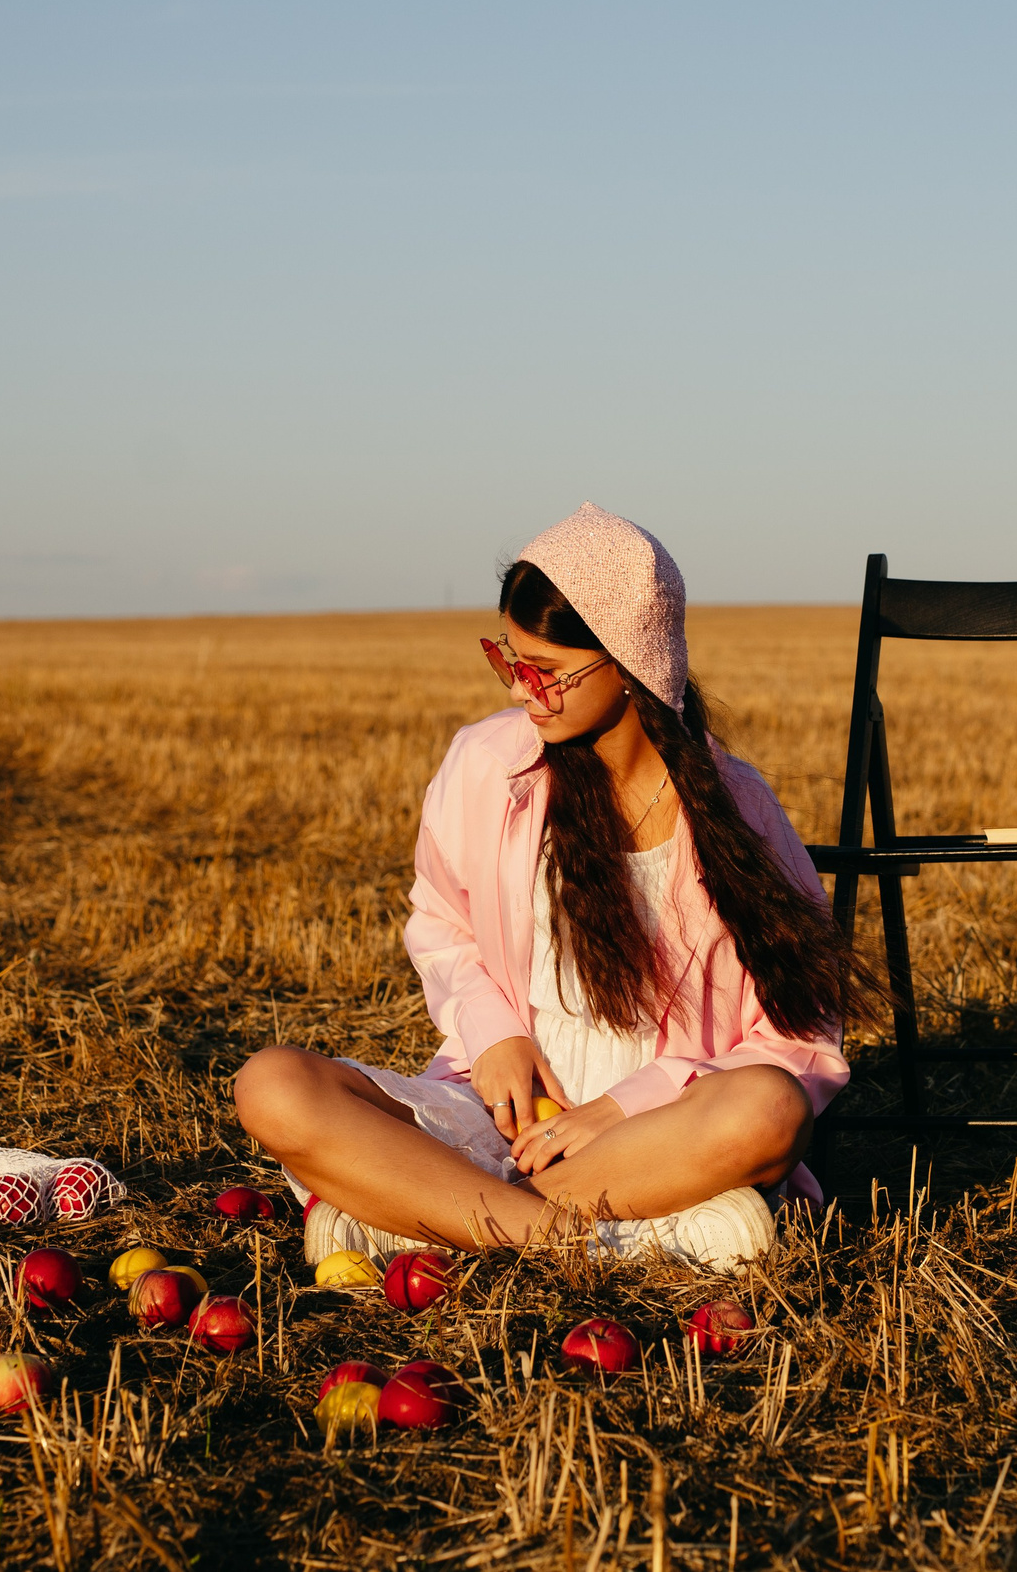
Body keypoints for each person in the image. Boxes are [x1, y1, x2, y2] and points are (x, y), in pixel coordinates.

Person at [232, 502, 870, 1271]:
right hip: (491, 1117)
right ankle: (591, 1238)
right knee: (270, 1085)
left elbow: (802, 1041)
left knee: (768, 1107)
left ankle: (428, 1211)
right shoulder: (485, 764)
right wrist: (492, 1029)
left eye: (547, 670)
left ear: (633, 662)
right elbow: (441, 923)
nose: (522, 690)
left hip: (651, 1140)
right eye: (509, 660)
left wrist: (619, 1110)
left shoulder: (740, 812)